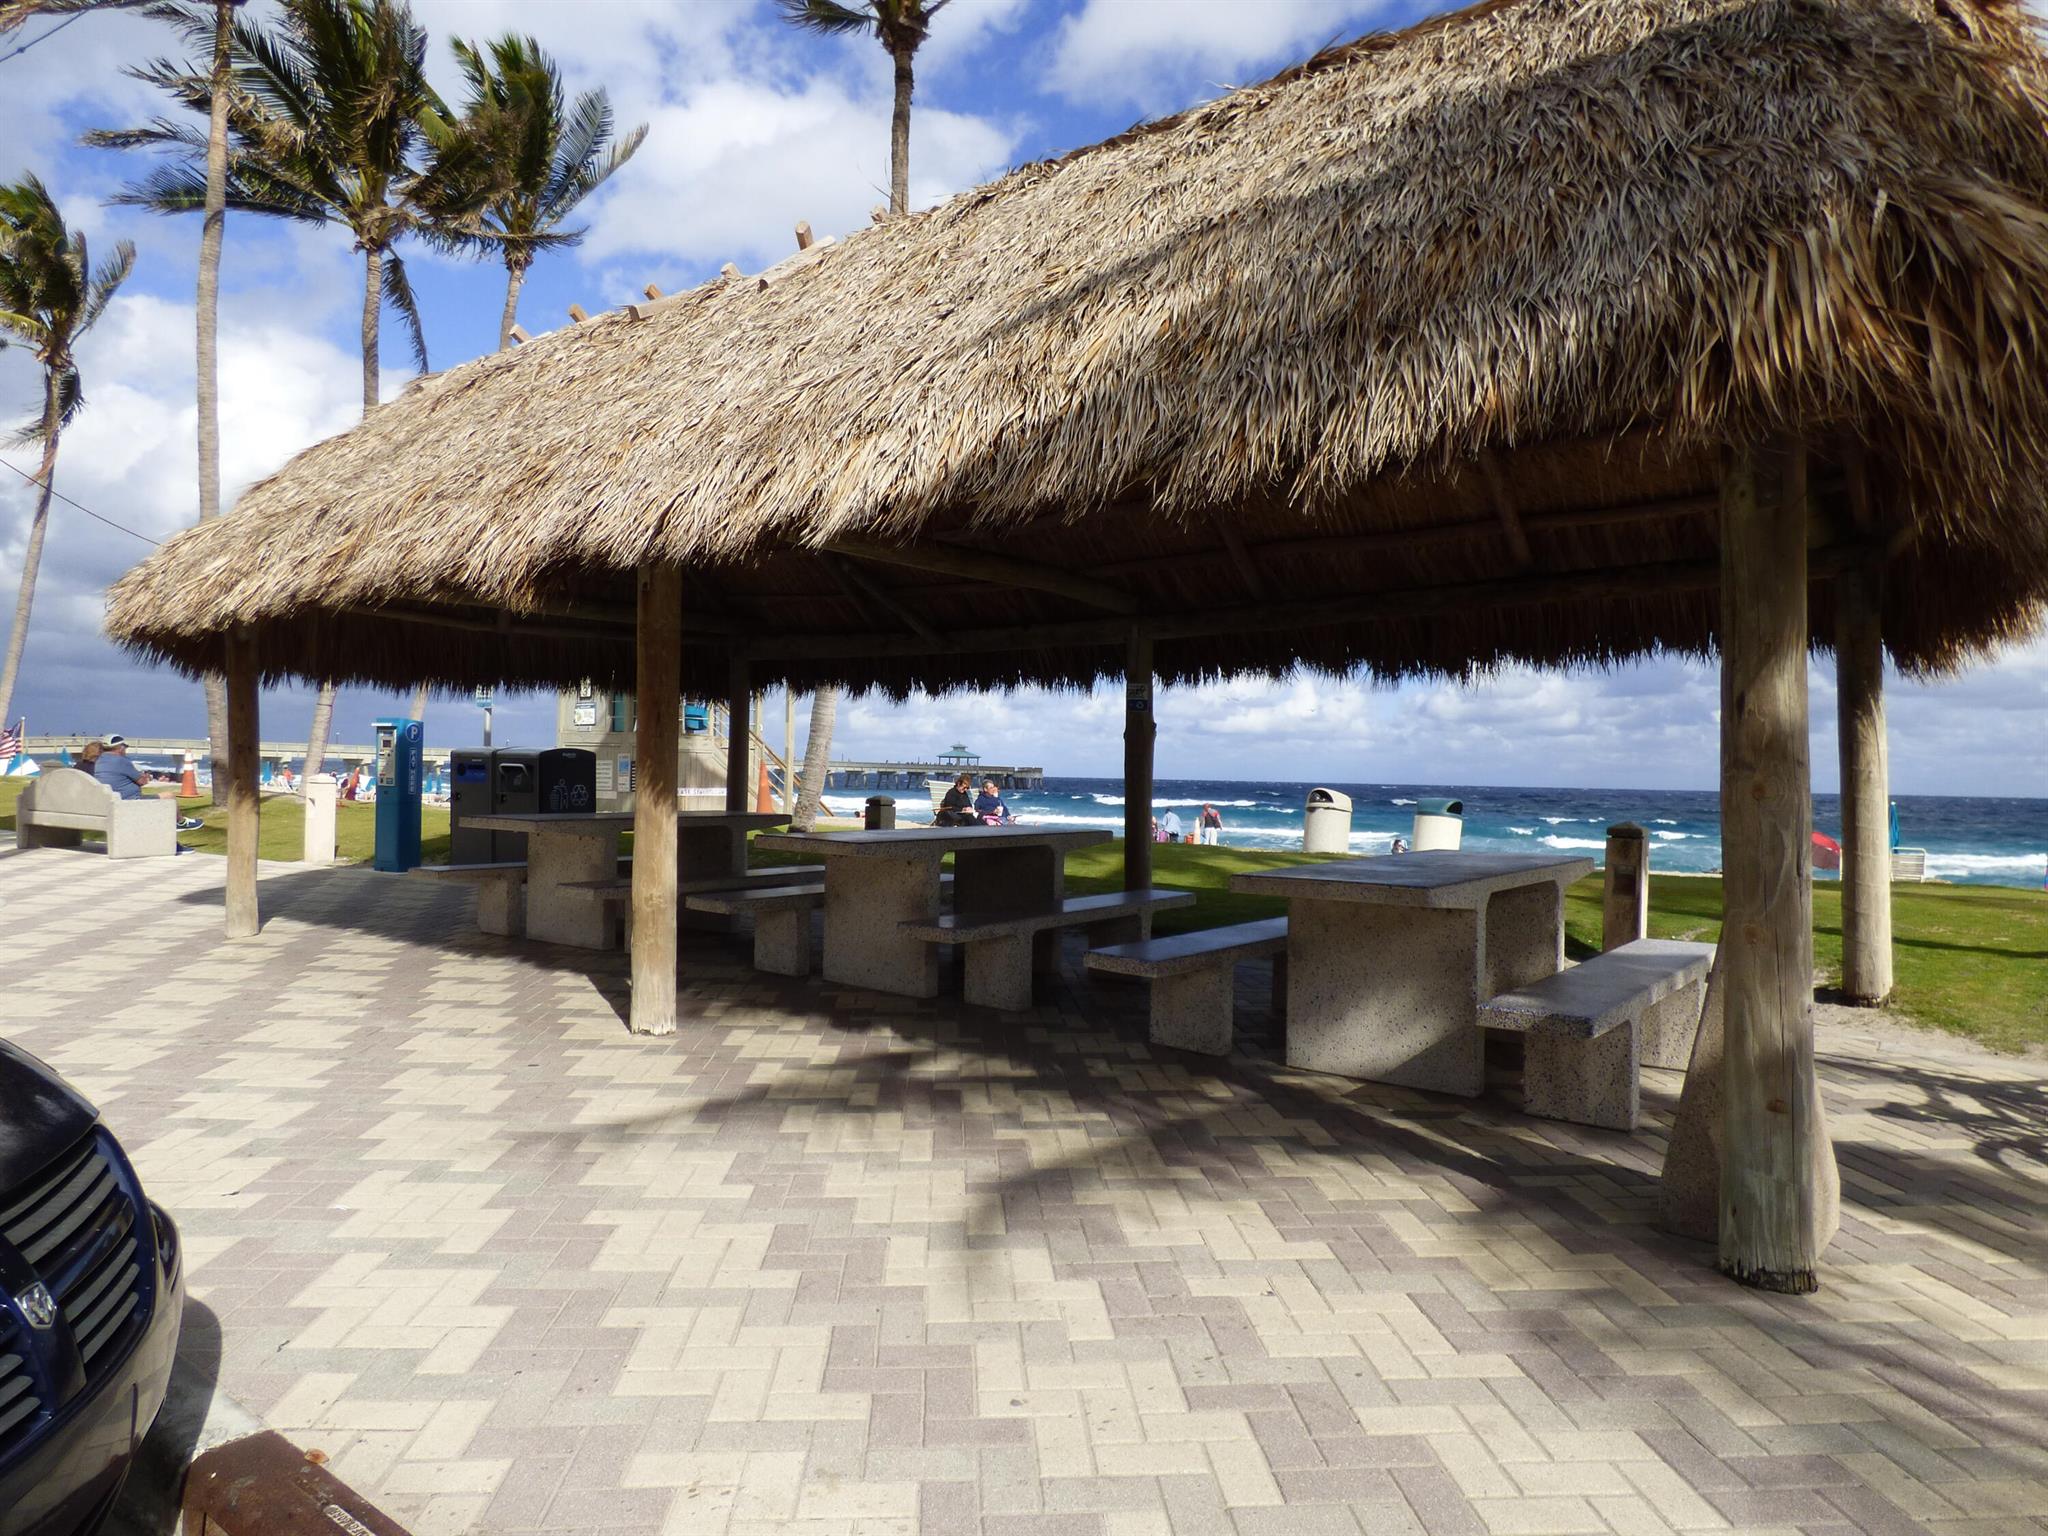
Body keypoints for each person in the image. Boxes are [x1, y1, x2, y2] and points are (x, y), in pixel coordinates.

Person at [93, 735, 148, 800]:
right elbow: (142, 782)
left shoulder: (98, 760)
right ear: (121, 747)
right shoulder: (121, 760)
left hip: (108, 798)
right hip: (128, 799)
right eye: (125, 747)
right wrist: (145, 776)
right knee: (158, 797)